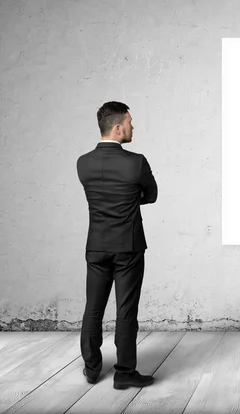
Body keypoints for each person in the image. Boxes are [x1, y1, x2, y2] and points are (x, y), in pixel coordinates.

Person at [76, 101, 158, 390]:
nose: (133, 127)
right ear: (118, 126)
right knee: (126, 311)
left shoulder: (83, 163)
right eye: (130, 122)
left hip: (96, 245)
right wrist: (134, 199)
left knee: (93, 308)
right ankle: (124, 372)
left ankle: (91, 367)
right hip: (129, 246)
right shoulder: (136, 162)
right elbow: (152, 195)